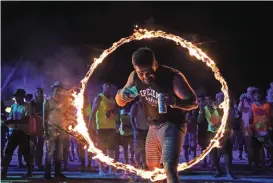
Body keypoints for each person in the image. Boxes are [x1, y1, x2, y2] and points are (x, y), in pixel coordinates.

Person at [115, 47, 197, 183]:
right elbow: (120, 102)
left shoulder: (172, 76)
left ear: (156, 64)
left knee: (169, 166)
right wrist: (121, 94)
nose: (146, 77)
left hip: (172, 124)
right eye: (141, 73)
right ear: (135, 68)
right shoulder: (134, 77)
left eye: (150, 72)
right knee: (154, 169)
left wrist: (175, 102)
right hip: (153, 126)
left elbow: (193, 102)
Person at [88, 82, 118, 176]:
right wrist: (89, 127)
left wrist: (115, 119)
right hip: (101, 128)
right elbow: (92, 113)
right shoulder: (99, 98)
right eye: (106, 85)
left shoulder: (113, 99)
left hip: (112, 127)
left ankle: (111, 170)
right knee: (102, 149)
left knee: (111, 150)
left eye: (110, 85)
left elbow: (115, 112)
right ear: (103, 86)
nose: (108, 87)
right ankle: (101, 170)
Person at [1, 89, 32, 178]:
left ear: (22, 97)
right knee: (8, 151)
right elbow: (10, 117)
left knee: (26, 153)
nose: (16, 98)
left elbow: (26, 119)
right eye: (15, 96)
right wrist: (6, 120)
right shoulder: (14, 106)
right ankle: (4, 172)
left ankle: (29, 171)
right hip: (14, 132)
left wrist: (13, 121)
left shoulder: (27, 106)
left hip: (23, 132)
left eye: (17, 96)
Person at [43, 81, 67, 179]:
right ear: (53, 90)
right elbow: (44, 117)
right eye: (56, 89)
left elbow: (66, 116)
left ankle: (57, 173)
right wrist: (45, 131)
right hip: (51, 129)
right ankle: (47, 174)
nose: (58, 91)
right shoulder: (47, 101)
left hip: (61, 130)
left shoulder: (63, 103)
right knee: (50, 152)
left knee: (59, 153)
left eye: (60, 90)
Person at [249, 88, 273, 171]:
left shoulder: (269, 104)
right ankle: (257, 166)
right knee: (256, 150)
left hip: (268, 130)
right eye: (255, 94)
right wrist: (251, 128)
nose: (257, 96)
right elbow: (250, 117)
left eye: (258, 94)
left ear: (262, 94)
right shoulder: (252, 105)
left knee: (270, 148)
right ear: (254, 96)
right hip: (256, 131)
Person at [130, 97, 149, 169]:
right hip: (139, 130)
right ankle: (138, 166)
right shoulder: (135, 106)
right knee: (139, 149)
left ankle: (144, 165)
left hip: (146, 130)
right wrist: (135, 128)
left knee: (145, 149)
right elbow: (131, 118)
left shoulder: (146, 106)